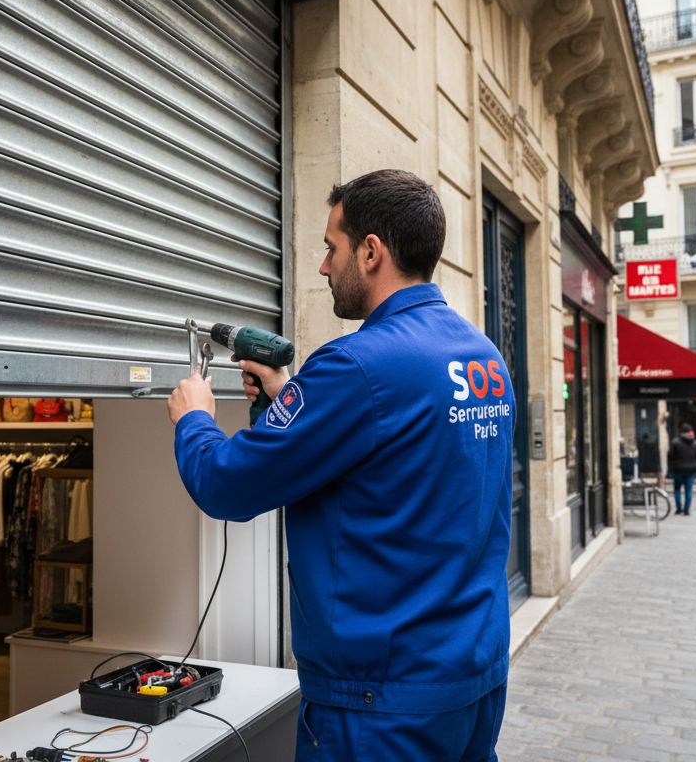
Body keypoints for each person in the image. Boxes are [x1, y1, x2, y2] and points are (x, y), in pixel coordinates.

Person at [167, 170, 511, 761]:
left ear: (371, 252)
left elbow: (224, 484)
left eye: (332, 247)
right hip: (470, 680)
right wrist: (288, 401)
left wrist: (194, 418)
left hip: (379, 703)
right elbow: (400, 465)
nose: (325, 266)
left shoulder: (356, 365)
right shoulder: (483, 356)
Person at [667, 423, 696, 515]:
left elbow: (671, 456)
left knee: (677, 489)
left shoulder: (675, 443)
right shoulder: (695, 444)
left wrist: (672, 466)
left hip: (678, 468)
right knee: (688, 490)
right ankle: (687, 509)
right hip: (691, 469)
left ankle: (679, 508)